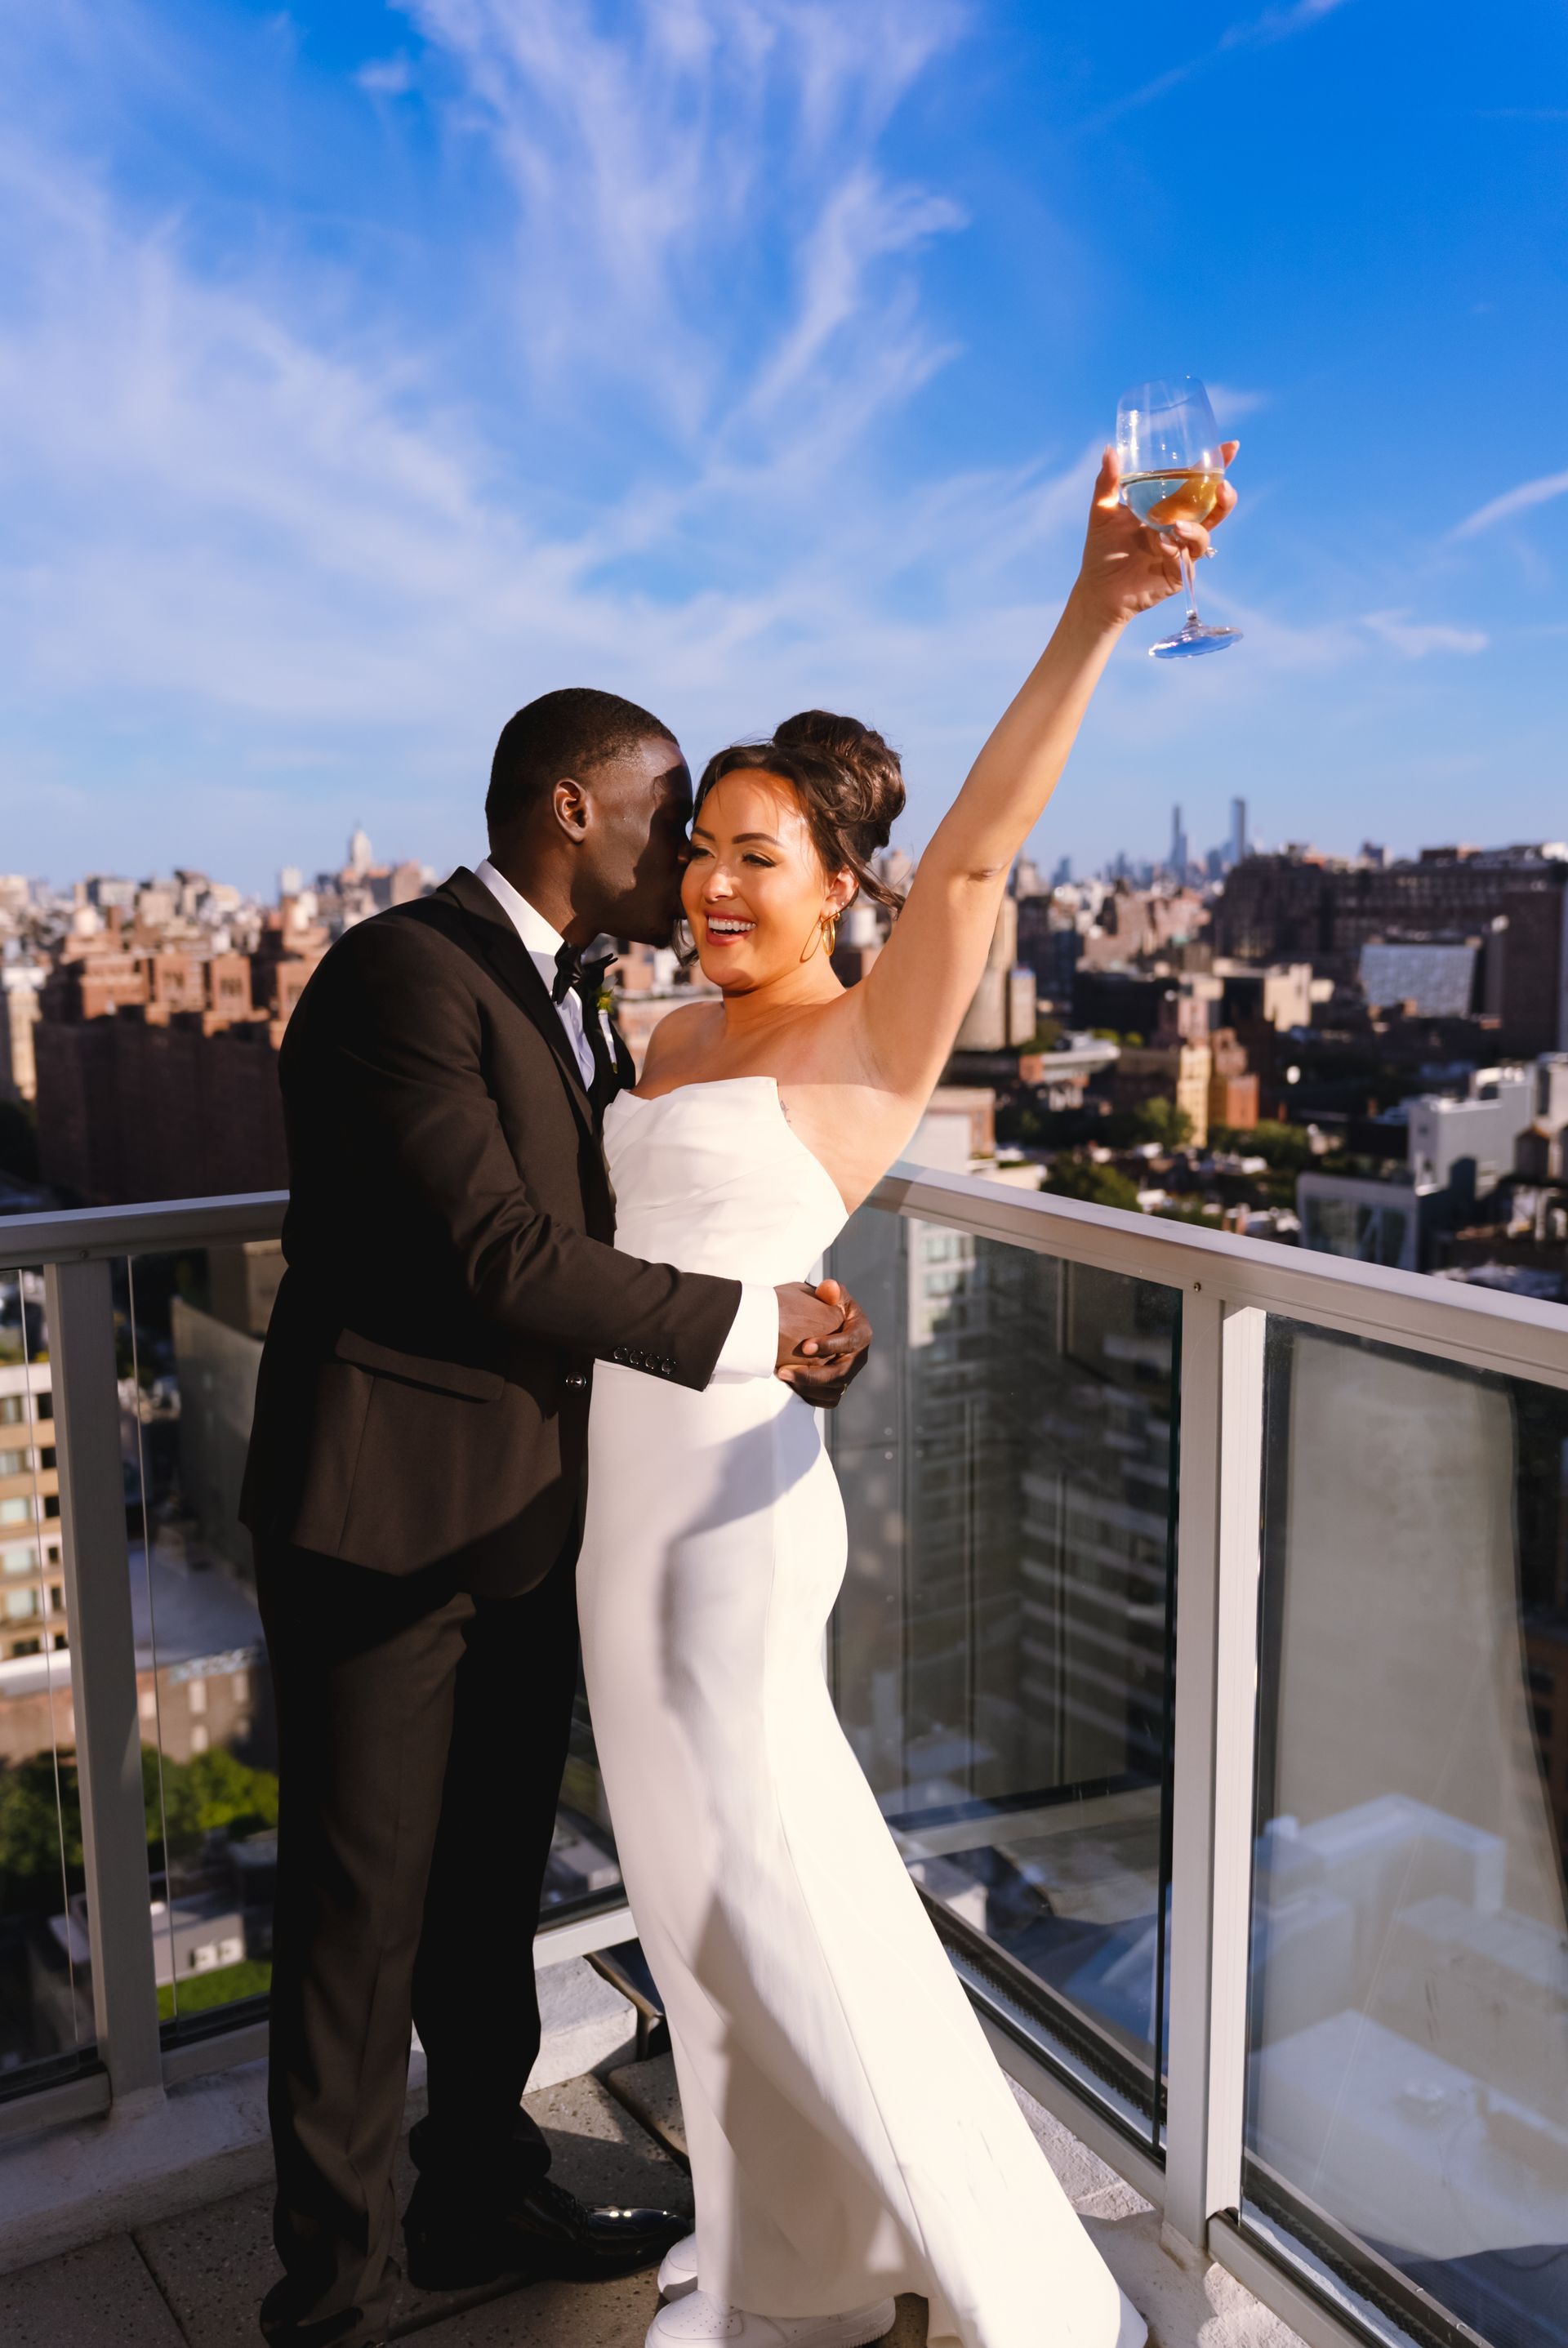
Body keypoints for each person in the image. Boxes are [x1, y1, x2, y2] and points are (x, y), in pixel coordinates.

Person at [577, 443, 1239, 2348]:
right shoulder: (663, 1026)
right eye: (700, 844)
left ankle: (1031, 2301)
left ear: (841, 886)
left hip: (727, 1526)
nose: (708, 879)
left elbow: (976, 856)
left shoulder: (863, 1037)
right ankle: (787, 2269)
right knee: (700, 1935)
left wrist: (1099, 610)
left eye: (754, 856)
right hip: (619, 1519)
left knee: (785, 1901)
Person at [240, 688, 874, 2348]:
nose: (685, 860)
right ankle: (338, 2297)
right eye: (673, 819)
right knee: (357, 1927)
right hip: (380, 1526)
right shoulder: (403, 974)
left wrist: (793, 1325)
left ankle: (476, 2182)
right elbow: (503, 1258)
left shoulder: (577, 990)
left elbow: (625, 1217)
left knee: (483, 1904)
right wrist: (760, 1327)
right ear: (576, 812)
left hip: (527, 1520)